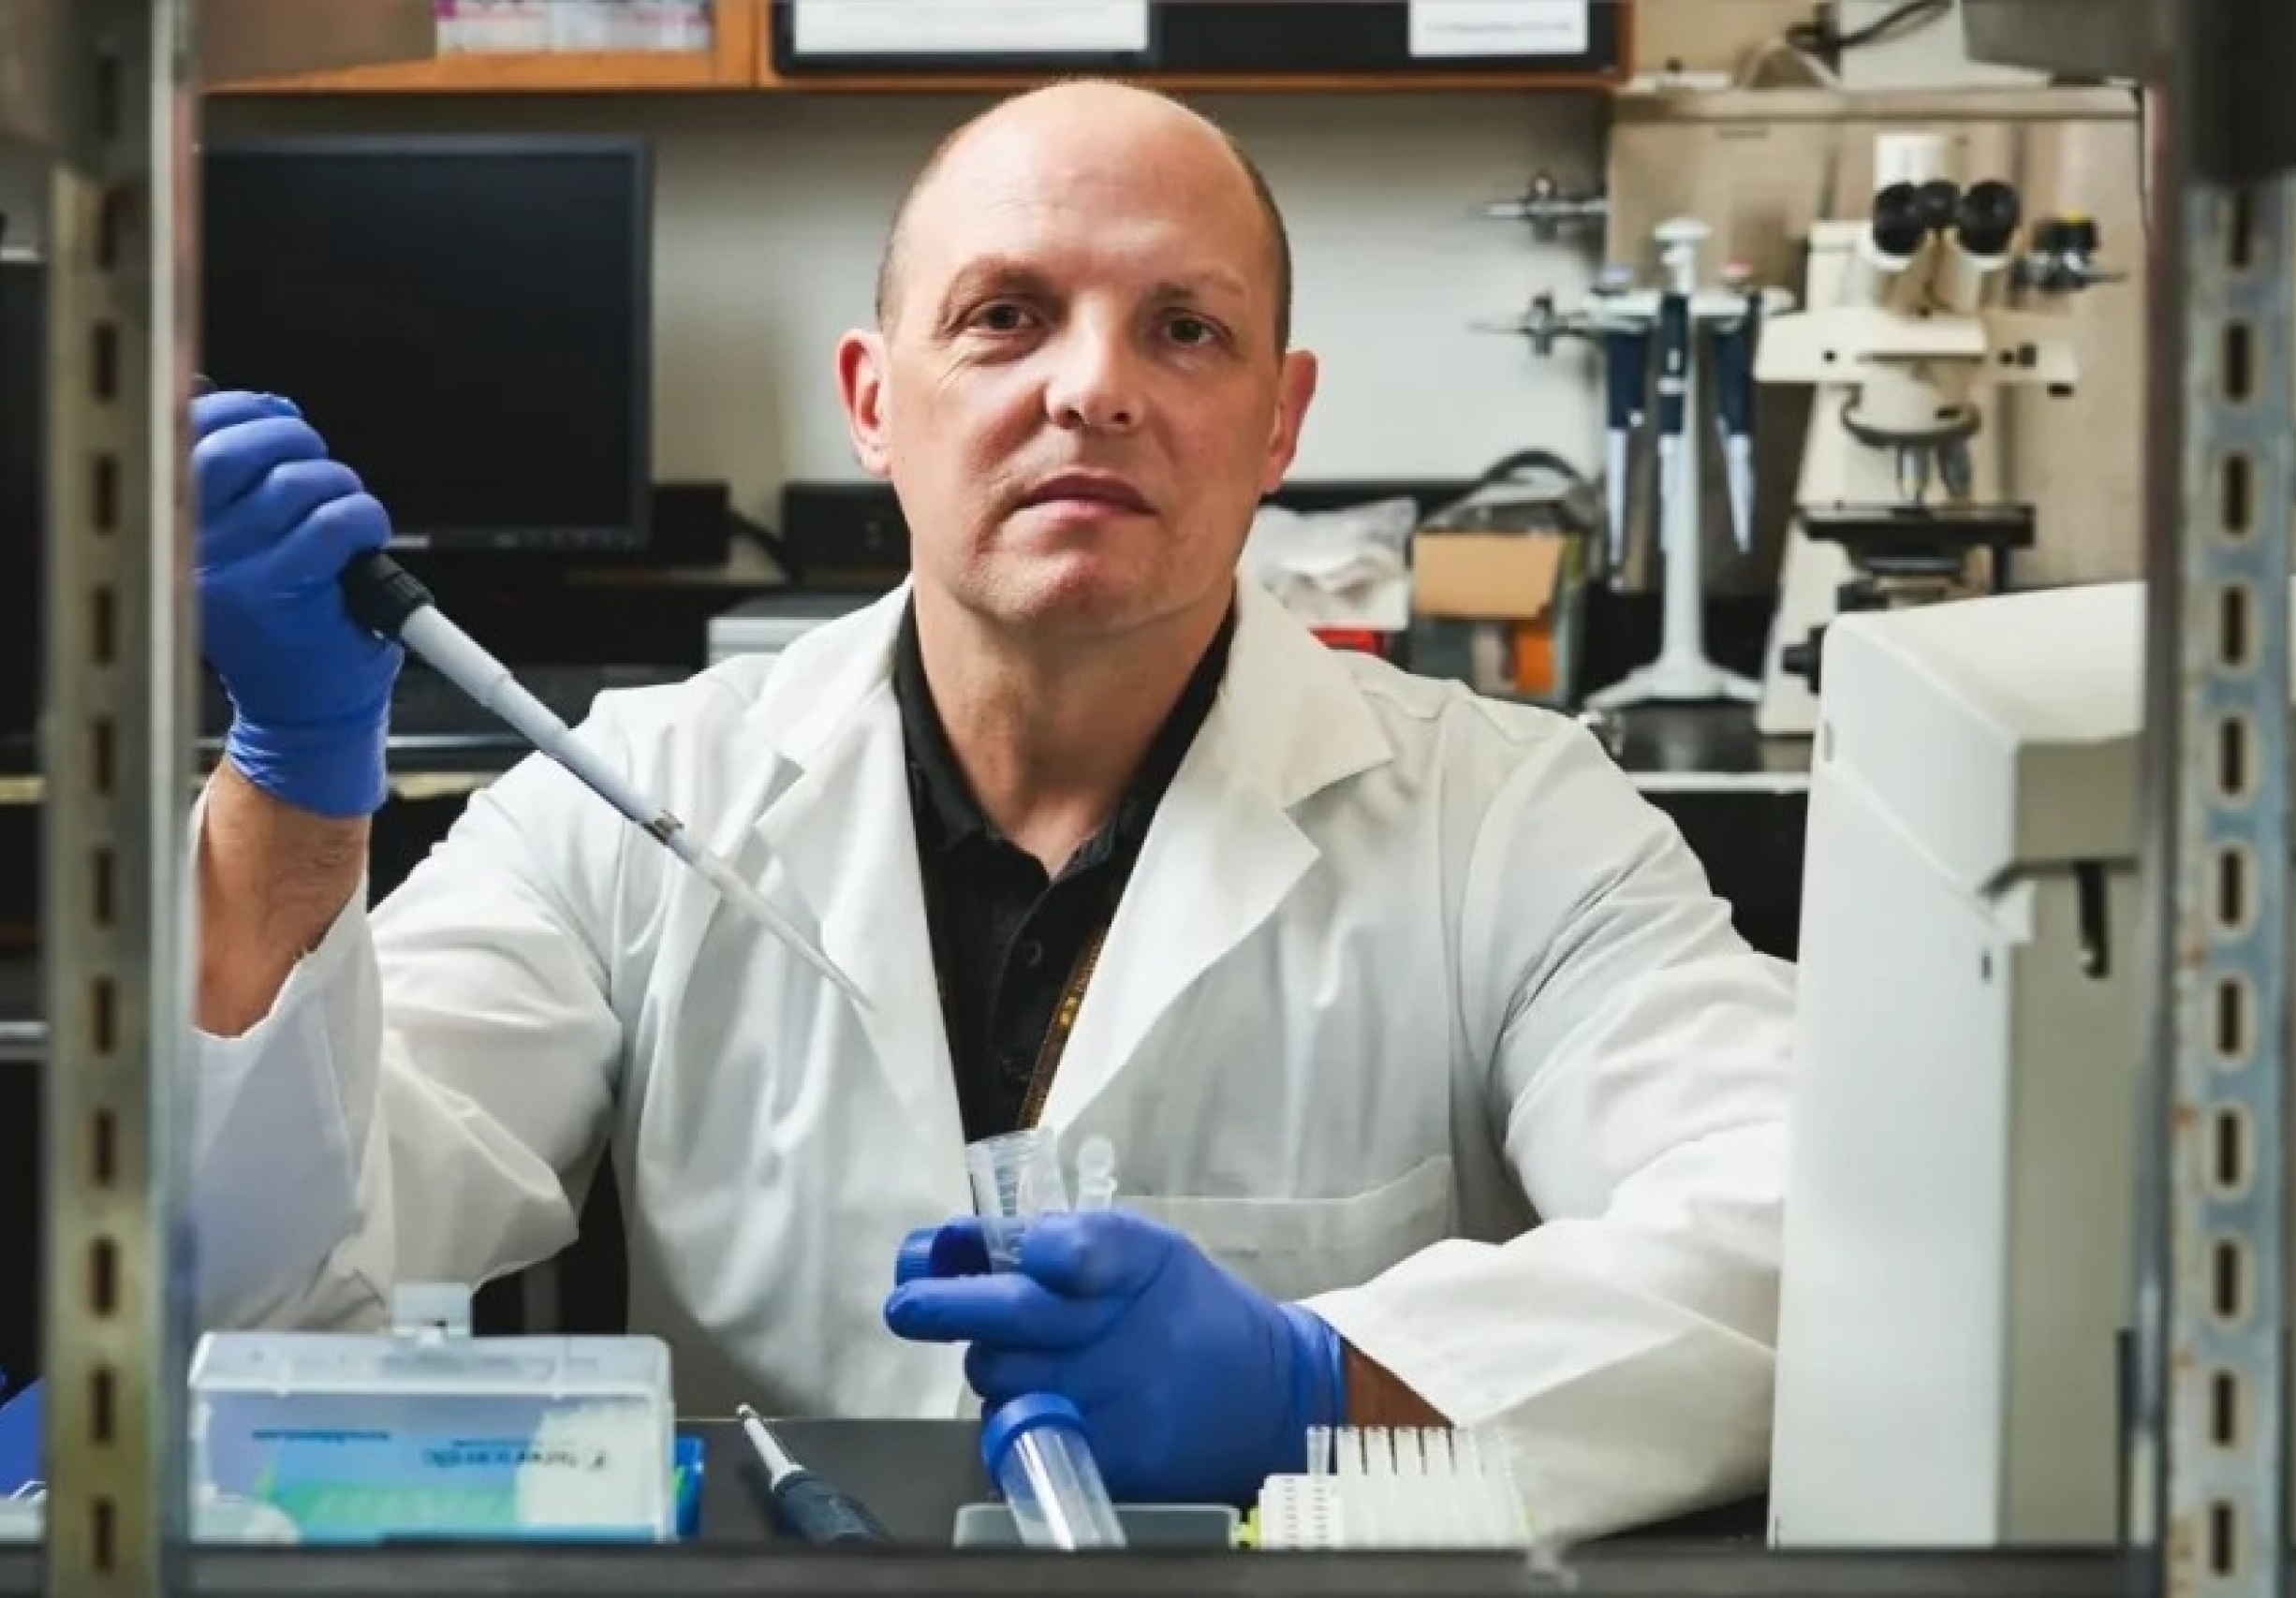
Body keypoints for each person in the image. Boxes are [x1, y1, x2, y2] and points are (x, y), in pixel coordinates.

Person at [184, 81, 1793, 1537]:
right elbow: (272, 1296)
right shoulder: (642, 793)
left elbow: (1814, 1237)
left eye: (1185, 330)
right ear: (873, 402)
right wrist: (294, 779)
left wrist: (1328, 1386)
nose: (1090, 388)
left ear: (1281, 420)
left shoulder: (1505, 817)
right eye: (1009, 315)